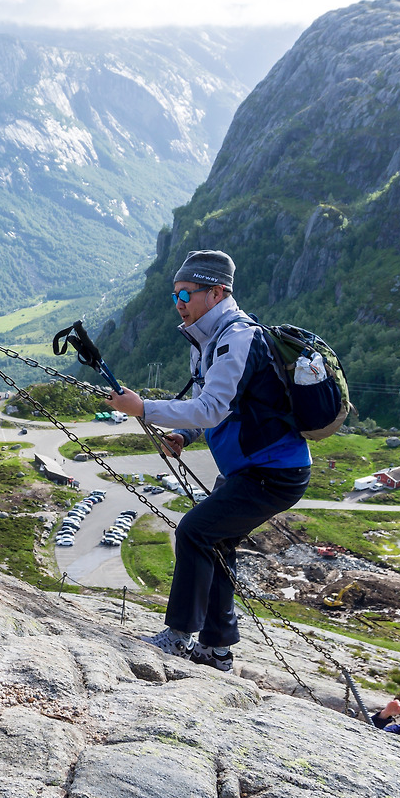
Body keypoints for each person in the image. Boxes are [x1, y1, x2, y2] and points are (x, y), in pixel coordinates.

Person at [109, 250, 310, 672]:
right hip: (253, 468)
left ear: (218, 292)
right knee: (217, 543)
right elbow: (226, 406)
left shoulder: (237, 337)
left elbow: (213, 406)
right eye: (174, 294)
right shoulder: (208, 338)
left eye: (187, 292)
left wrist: (143, 407)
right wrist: (185, 434)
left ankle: (178, 635)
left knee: (195, 531)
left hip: (273, 472)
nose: (179, 301)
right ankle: (217, 649)